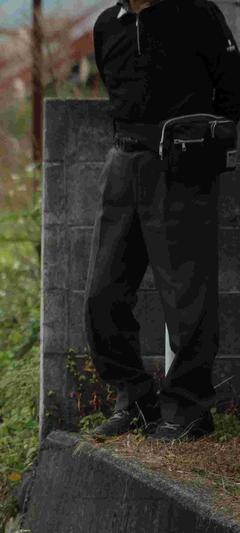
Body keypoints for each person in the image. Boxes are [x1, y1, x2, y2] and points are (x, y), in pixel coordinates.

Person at [86, 0, 240, 442]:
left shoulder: (197, 13)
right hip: (122, 162)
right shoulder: (106, 25)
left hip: (182, 168)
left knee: (187, 296)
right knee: (102, 295)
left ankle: (189, 410)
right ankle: (135, 400)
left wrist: (197, 145)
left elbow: (232, 91)